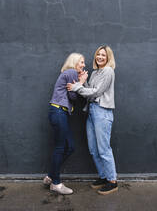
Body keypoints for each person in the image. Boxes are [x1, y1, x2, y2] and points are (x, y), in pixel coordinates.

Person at [67, 45, 118, 195]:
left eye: (103, 55)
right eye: (98, 54)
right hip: (92, 111)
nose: (100, 57)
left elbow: (96, 93)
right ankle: (103, 177)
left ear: (108, 57)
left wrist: (77, 87)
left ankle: (112, 181)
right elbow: (89, 93)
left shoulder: (108, 71)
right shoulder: (96, 72)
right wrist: (83, 81)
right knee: (93, 149)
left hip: (102, 112)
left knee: (103, 149)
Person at [43, 53, 85, 195]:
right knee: (60, 147)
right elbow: (73, 96)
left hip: (61, 113)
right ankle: (56, 183)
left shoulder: (70, 73)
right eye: (81, 62)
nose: (83, 65)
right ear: (74, 62)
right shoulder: (72, 72)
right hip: (58, 112)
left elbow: (72, 93)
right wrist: (81, 82)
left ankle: (50, 175)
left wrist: (77, 84)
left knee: (70, 147)